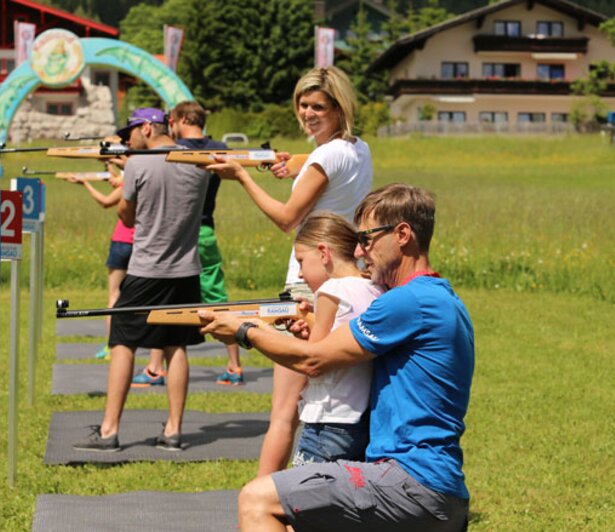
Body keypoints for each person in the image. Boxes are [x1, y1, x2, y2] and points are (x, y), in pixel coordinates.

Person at [200, 184, 474, 531]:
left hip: (409, 480)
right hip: (437, 486)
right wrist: (313, 323)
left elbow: (313, 361)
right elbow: (343, 345)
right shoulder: (441, 299)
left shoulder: (407, 301)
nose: (360, 250)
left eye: (368, 238)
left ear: (402, 234)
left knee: (257, 499)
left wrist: (244, 331)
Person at [206, 66, 373, 474]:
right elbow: (322, 164)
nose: (308, 112)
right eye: (303, 104)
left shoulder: (324, 156)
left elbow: (286, 217)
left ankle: (261, 501)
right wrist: (290, 163)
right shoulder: (358, 148)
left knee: (284, 414)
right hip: (345, 276)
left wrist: (241, 175)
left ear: (338, 108)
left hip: (307, 282)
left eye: (319, 106)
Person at [73, 107, 209, 453]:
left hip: (146, 268)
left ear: (147, 127)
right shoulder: (199, 164)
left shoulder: (137, 164)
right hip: (186, 270)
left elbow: (128, 217)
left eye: (131, 131)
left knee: (122, 342)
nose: (127, 139)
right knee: (175, 346)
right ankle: (174, 431)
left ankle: (109, 431)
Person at [131, 100, 245, 387]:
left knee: (163, 299)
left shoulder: (180, 151)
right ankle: (233, 365)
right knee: (213, 298)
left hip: (180, 231)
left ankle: (156, 367)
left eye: (172, 121)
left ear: (180, 119)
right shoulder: (217, 148)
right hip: (204, 228)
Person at [286, 212, 383, 468]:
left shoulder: (330, 290)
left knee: (302, 498)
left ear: (323, 253)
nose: (299, 274)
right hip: (360, 419)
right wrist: (312, 322)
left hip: (327, 421)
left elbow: (315, 361)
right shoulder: (374, 287)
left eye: (301, 261)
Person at [63, 161, 131, 360]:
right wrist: (109, 166)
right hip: (142, 245)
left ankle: (112, 345)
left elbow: (105, 201)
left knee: (114, 296)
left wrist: (85, 183)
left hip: (122, 242)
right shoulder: (144, 182)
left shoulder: (128, 186)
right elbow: (117, 178)